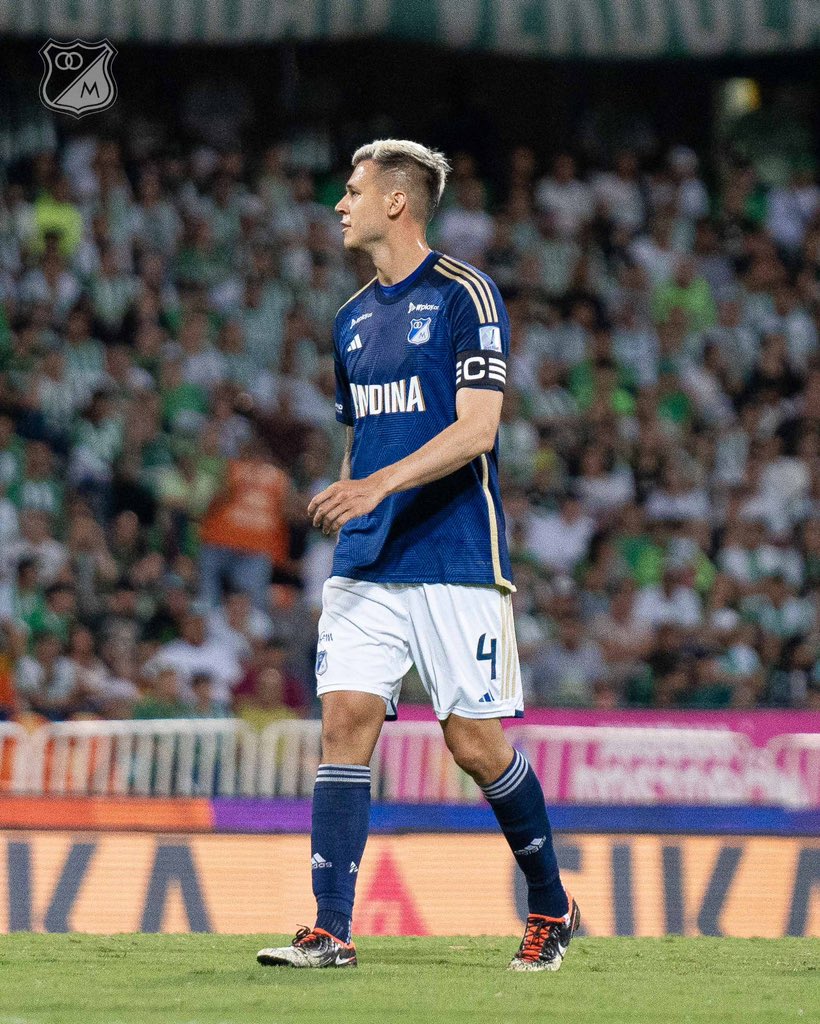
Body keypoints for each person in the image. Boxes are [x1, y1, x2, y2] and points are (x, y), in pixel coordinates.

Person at [256, 140, 578, 973]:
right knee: (343, 723)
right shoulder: (350, 318)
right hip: (367, 558)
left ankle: (550, 903)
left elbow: (478, 429)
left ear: (398, 202)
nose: (340, 204)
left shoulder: (467, 293)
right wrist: (347, 491)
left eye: (354, 191)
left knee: (473, 743)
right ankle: (331, 929)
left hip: (453, 550)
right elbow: (364, 432)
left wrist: (377, 487)